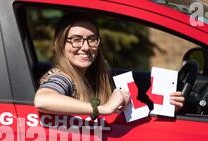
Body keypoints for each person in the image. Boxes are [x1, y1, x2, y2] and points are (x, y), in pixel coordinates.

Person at [34, 13, 185, 120]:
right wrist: (103, 109)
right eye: (76, 39)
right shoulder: (62, 77)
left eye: (92, 39)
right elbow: (42, 100)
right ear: (61, 44)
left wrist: (167, 106)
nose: (86, 47)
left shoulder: (93, 75)